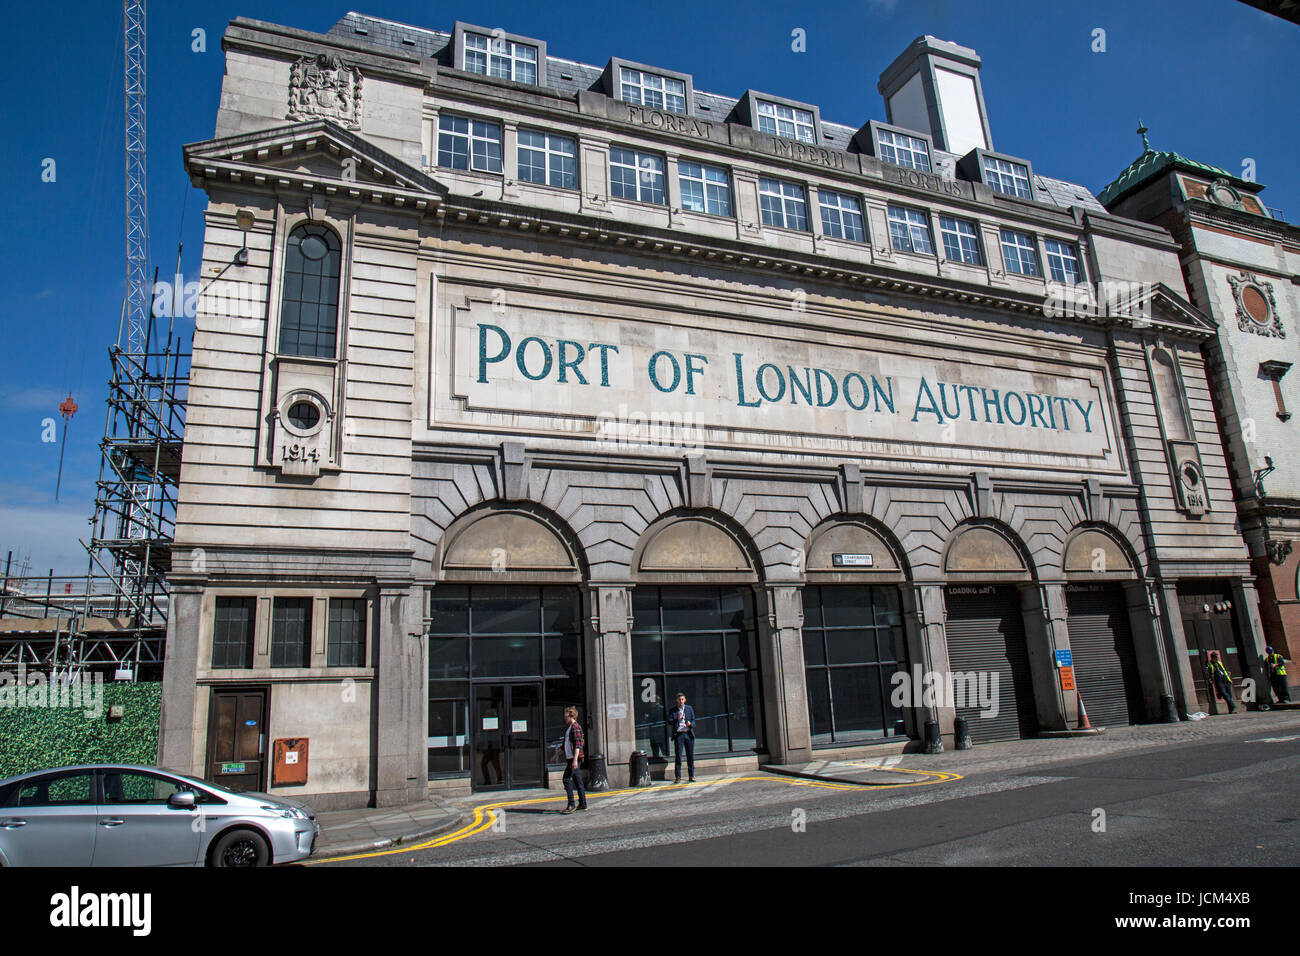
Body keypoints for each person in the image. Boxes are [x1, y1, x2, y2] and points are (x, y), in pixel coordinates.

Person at [561, 705, 587, 814]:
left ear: (571, 715)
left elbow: (578, 745)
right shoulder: (570, 728)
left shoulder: (576, 727)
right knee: (577, 780)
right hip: (571, 758)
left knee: (566, 780)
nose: (564, 717)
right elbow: (566, 744)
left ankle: (571, 804)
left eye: (565, 715)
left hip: (573, 758)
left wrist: (575, 760)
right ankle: (582, 803)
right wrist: (555, 755)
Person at [666, 692, 696, 783]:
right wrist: (677, 719)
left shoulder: (689, 708)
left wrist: (691, 724)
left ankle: (691, 775)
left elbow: (694, 720)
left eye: (682, 699)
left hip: (688, 734)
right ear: (677, 700)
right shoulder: (673, 710)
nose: (681, 701)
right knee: (678, 756)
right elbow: (669, 722)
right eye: (679, 700)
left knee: (690, 756)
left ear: (685, 700)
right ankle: (678, 776)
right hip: (679, 735)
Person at [1208, 650, 1235, 714]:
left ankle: (1231, 709)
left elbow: (1224, 671)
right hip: (1218, 680)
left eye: (1217, 658)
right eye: (1216, 658)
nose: (1217, 659)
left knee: (1229, 694)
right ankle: (1232, 705)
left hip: (1225, 679)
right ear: (1213, 658)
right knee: (1224, 693)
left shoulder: (1219, 663)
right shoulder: (1210, 664)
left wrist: (1229, 679)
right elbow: (1211, 673)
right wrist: (1212, 680)